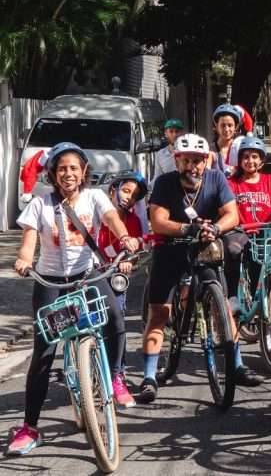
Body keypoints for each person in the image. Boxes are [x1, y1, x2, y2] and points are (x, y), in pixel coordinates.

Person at [6, 143, 140, 456]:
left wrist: (125, 238)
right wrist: (24, 260)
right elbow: (29, 243)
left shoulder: (95, 196)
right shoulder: (40, 204)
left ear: (83, 172)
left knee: (116, 321)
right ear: (53, 173)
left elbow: (112, 219)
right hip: (50, 283)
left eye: (74, 168)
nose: (68, 173)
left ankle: (117, 377)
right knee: (42, 354)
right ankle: (30, 427)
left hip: (86, 277)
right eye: (62, 168)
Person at [137, 133, 261, 405]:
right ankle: (148, 377)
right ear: (177, 160)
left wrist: (215, 228)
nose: (192, 166)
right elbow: (158, 221)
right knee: (160, 312)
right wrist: (188, 228)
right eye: (186, 160)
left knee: (224, 305)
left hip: (205, 246)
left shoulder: (217, 178)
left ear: (206, 162)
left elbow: (232, 214)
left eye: (198, 161)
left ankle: (236, 364)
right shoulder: (164, 182)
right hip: (170, 247)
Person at [96, 171, 149, 409]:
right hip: (90, 273)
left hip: (115, 276)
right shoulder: (96, 213)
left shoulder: (134, 222)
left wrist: (129, 260)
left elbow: (135, 253)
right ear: (113, 189)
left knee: (117, 321)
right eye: (126, 191)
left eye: (135, 196)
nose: (129, 198)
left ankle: (118, 375)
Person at [226, 135, 271, 317]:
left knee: (266, 266)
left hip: (265, 232)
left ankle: (265, 308)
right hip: (241, 231)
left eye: (255, 156)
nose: (250, 161)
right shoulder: (232, 183)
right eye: (245, 157)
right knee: (233, 251)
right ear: (239, 161)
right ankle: (232, 296)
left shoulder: (270, 181)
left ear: (262, 160)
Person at [211, 104, 244, 176]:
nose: (226, 129)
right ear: (216, 126)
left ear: (236, 127)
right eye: (223, 125)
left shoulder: (241, 149)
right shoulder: (209, 150)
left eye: (230, 125)